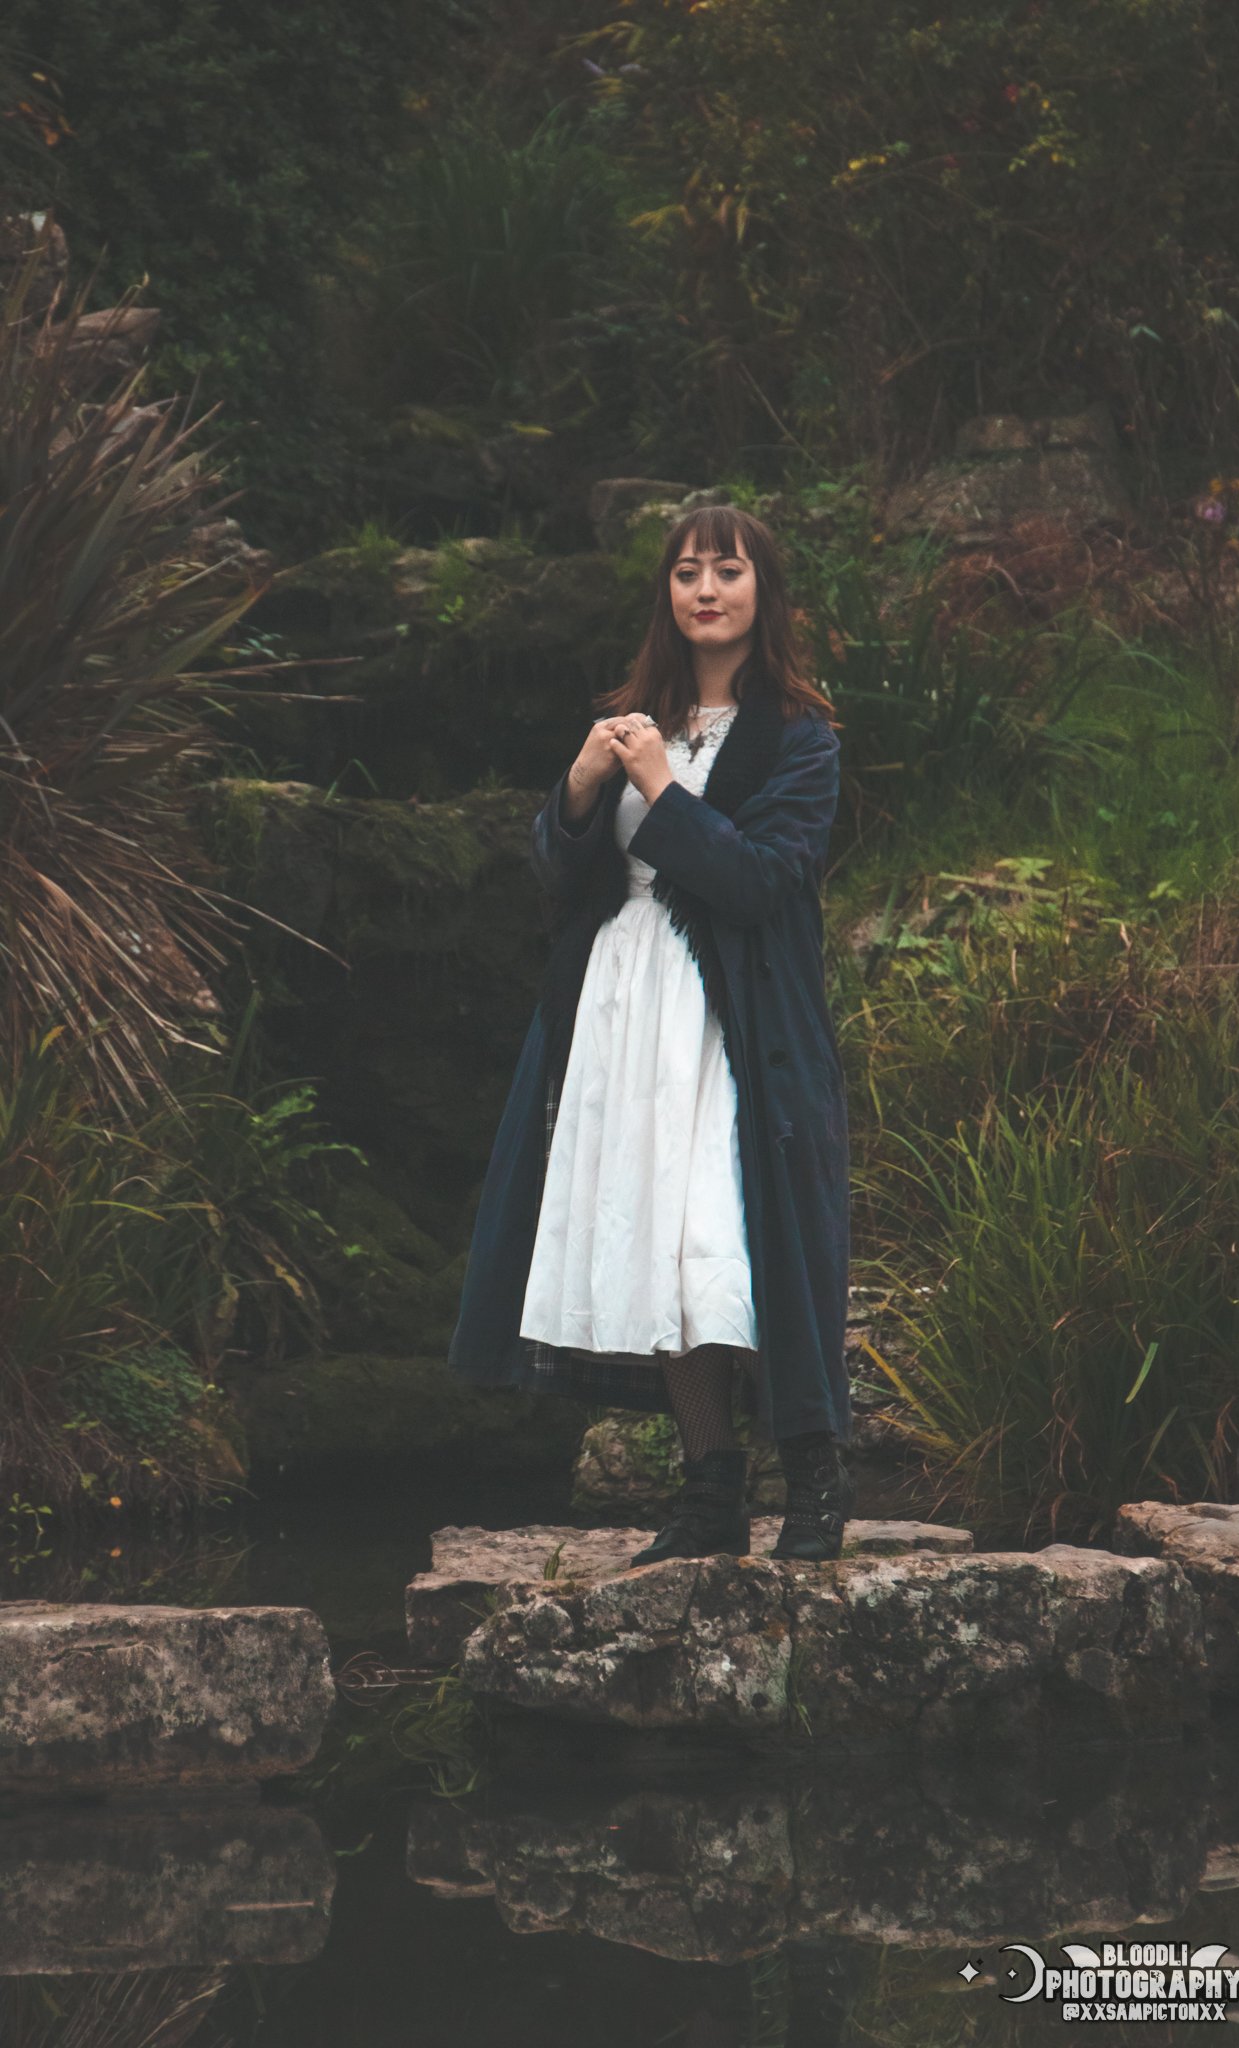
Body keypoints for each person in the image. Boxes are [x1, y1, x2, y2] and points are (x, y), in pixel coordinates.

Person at [447, 503, 855, 1564]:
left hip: (738, 1017)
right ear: (665, 596)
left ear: (764, 590)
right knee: (659, 1252)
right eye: (686, 572)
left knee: (733, 1237)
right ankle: (710, 1484)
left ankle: (813, 1479)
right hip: (626, 1016)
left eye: (727, 570)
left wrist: (661, 789)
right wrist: (579, 791)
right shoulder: (633, 720)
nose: (705, 589)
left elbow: (763, 880)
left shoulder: (801, 737)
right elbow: (569, 882)